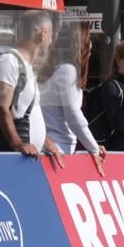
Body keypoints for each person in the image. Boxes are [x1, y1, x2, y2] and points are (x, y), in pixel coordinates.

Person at [0, 10, 63, 163]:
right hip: (15, 159)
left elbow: (24, 111)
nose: (51, 40)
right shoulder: (9, 62)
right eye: (51, 34)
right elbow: (2, 109)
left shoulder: (27, 66)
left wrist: (45, 142)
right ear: (43, 33)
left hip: (28, 158)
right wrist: (18, 144)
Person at [37, 22, 104, 172]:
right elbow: (73, 114)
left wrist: (92, 145)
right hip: (58, 149)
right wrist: (93, 148)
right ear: (80, 43)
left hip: (52, 147)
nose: (91, 44)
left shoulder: (51, 69)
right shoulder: (68, 70)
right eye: (89, 38)